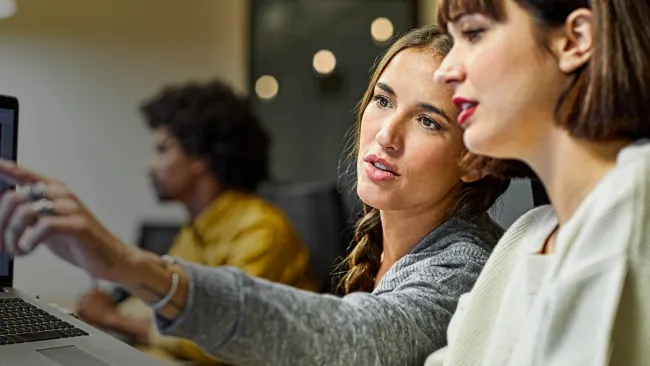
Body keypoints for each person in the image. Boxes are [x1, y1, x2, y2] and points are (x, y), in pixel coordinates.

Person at [0, 26, 511, 365]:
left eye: (427, 120)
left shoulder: (467, 265)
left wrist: (124, 262)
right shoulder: (391, 244)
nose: (386, 134)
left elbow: (360, 338)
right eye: (382, 99)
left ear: (474, 157)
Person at [426, 0, 650, 365]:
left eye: (474, 33)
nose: (446, 70)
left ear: (575, 39)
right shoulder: (524, 237)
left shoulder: (636, 198)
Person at [75, 80, 319, 364]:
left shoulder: (263, 230)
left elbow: (226, 334)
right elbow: (164, 304)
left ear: (199, 159)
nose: (151, 166)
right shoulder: (194, 231)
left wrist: (115, 319)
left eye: (163, 149)